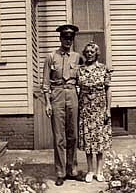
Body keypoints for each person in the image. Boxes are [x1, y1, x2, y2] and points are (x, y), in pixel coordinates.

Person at [42, 24, 83, 186]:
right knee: (59, 137)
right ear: (60, 38)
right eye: (65, 37)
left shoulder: (77, 57)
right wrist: (47, 103)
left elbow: (82, 80)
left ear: (73, 39)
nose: (68, 40)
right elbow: (45, 83)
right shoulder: (51, 57)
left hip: (72, 94)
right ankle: (60, 172)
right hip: (57, 95)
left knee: (73, 135)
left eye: (70, 38)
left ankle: (72, 169)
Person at [77, 42, 112, 183]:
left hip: (100, 108)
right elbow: (77, 89)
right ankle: (90, 171)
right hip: (86, 108)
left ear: (96, 53)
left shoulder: (103, 69)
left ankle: (99, 171)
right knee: (88, 141)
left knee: (99, 141)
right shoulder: (80, 70)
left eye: (92, 52)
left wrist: (108, 109)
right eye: (87, 52)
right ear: (85, 54)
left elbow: (108, 90)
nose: (90, 54)